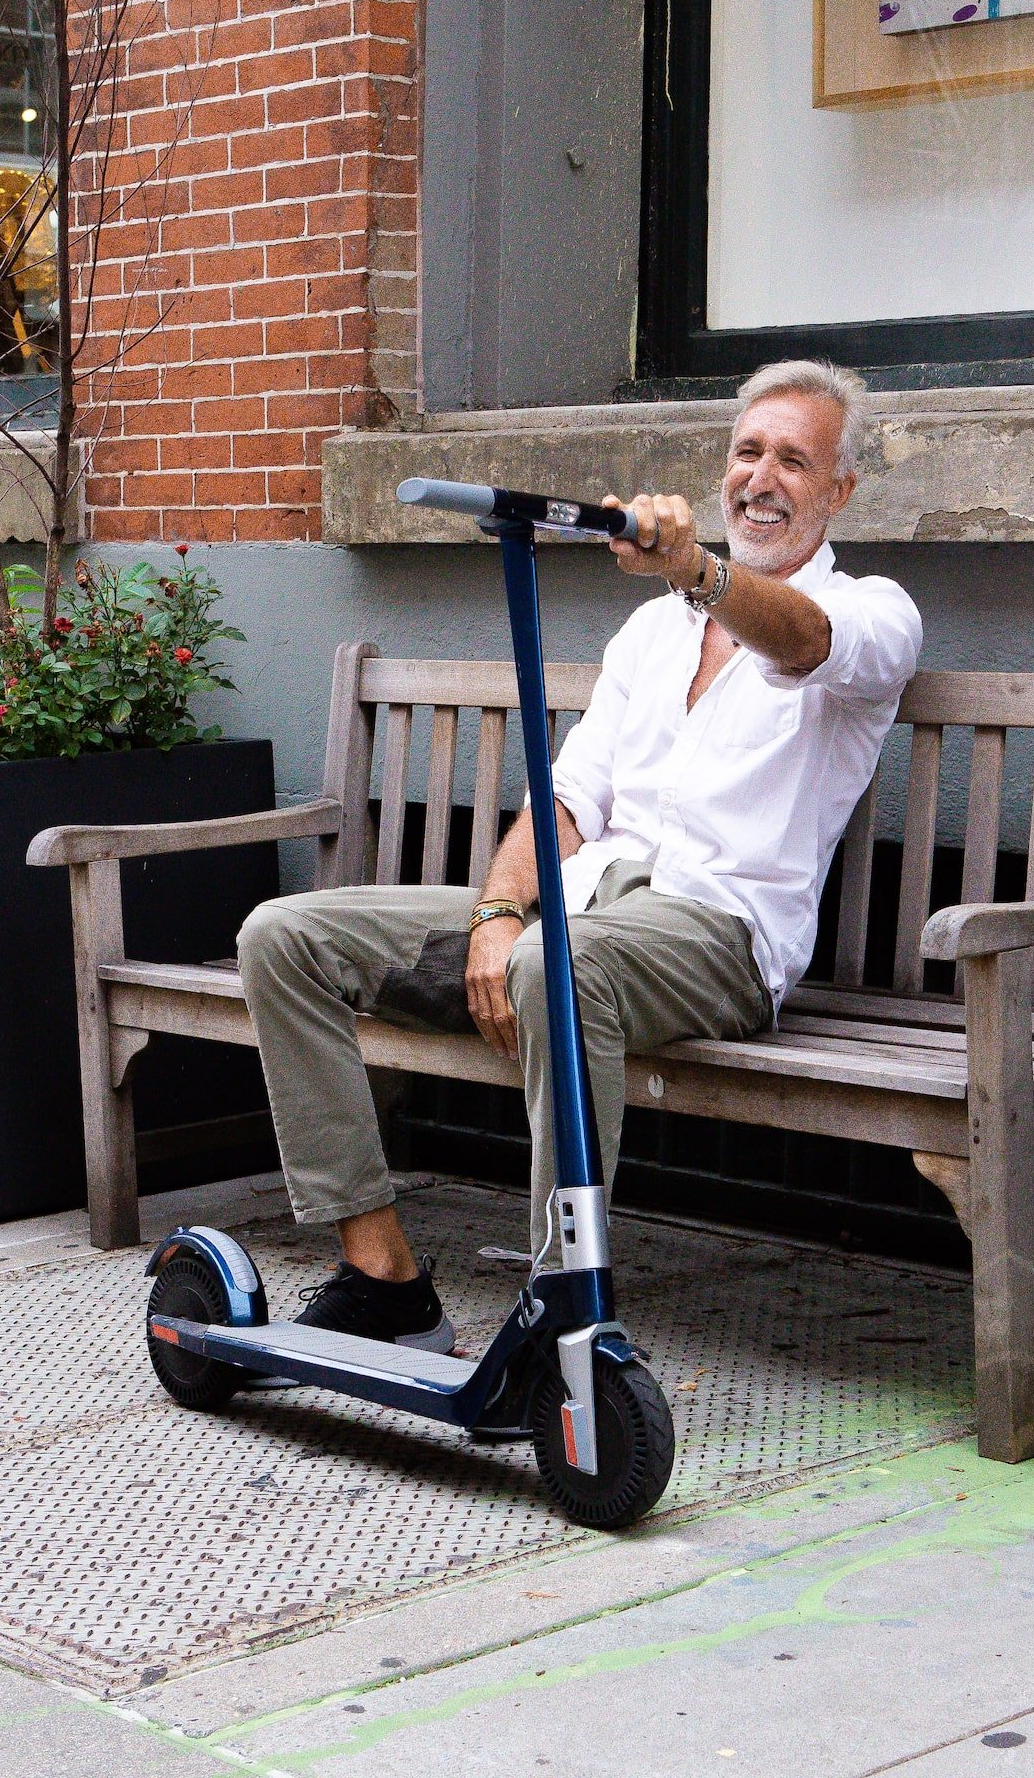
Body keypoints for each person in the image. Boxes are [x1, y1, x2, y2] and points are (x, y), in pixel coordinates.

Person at [235, 358, 925, 1350]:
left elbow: (805, 640)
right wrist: (496, 911)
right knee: (284, 938)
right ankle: (383, 1277)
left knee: (555, 967)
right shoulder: (650, 633)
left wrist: (697, 569)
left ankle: (563, 1314)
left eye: (793, 460)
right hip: (580, 906)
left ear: (840, 490)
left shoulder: (875, 612)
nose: (761, 477)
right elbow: (568, 799)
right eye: (747, 451)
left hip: (718, 933)